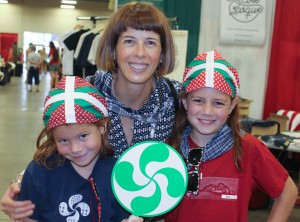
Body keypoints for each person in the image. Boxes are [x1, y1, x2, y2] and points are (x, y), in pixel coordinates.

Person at [1, 2, 180, 220]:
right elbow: (58, 144)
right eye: (129, 41)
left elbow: (219, 117)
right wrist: (20, 185)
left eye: (151, 42)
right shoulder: (88, 93)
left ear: (162, 53)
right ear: (114, 50)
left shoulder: (176, 98)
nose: (140, 53)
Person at [164, 50, 298, 222]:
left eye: (218, 103)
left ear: (232, 106)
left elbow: (288, 192)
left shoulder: (248, 148)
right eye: (198, 100)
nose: (207, 111)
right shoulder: (170, 148)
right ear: (184, 101)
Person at [15, 75, 142, 222]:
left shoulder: (118, 175)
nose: (75, 149)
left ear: (102, 127)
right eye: (63, 140)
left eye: (83, 136)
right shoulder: (39, 173)